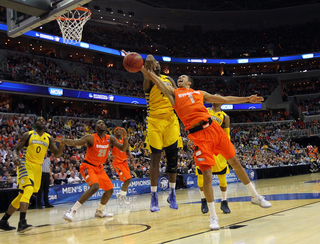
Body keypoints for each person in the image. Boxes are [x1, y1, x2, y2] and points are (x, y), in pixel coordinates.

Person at [141, 67, 272, 230]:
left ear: (189, 82)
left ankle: (255, 196)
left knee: (236, 163)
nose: (179, 78)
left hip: (214, 129)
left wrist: (247, 99)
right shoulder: (174, 93)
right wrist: (145, 71)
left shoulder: (199, 94)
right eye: (179, 77)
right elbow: (158, 82)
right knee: (207, 175)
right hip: (198, 136)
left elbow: (224, 99)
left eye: (183, 76)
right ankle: (213, 216)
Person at [123, 50, 182, 212]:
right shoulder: (148, 79)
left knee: (172, 159)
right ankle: (154, 196)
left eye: (157, 63)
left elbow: (177, 97)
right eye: (153, 64)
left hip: (171, 121)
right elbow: (148, 60)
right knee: (155, 158)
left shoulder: (169, 79)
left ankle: (172, 193)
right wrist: (148, 58)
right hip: (154, 122)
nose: (155, 64)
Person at [0, 117, 65, 232]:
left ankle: (4, 221)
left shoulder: (48, 138)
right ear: (35, 124)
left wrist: (62, 145)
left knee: (22, 195)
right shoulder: (28, 135)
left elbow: (57, 154)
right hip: (26, 164)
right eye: (39, 120)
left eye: (43, 120)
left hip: (37, 168)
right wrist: (15, 157)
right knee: (28, 189)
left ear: (45, 124)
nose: (41, 121)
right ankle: (22, 222)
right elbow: (16, 149)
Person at [62, 120, 128, 222]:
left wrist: (125, 137)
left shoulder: (110, 138)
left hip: (99, 168)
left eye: (102, 123)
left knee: (110, 190)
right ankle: (71, 211)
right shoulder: (90, 138)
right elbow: (75, 142)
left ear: (106, 126)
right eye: (98, 123)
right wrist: (64, 141)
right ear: (95, 128)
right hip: (88, 166)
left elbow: (123, 149)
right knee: (95, 187)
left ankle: (99, 211)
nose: (101, 124)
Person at [190, 102, 232, 214]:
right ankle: (203, 200)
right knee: (201, 176)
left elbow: (227, 135)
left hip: (217, 147)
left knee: (222, 177)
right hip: (204, 145)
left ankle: (224, 202)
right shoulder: (206, 111)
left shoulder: (225, 117)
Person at [112, 127, 132, 205]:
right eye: (116, 130)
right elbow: (107, 149)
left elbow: (126, 148)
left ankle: (120, 195)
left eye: (120, 130)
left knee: (128, 179)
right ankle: (122, 196)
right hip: (117, 163)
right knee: (128, 179)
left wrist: (129, 153)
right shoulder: (113, 140)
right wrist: (109, 156)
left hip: (124, 162)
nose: (118, 131)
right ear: (114, 132)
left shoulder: (124, 140)